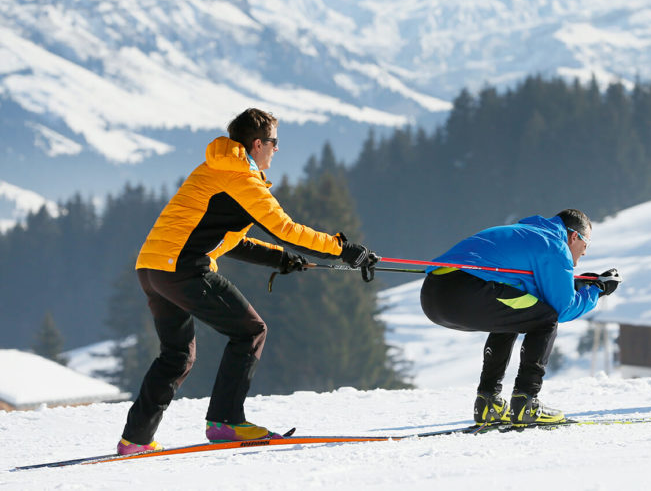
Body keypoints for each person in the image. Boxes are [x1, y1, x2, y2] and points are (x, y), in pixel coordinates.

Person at [117, 108, 376, 455]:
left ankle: (135, 440)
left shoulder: (217, 168)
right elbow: (286, 229)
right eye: (274, 142)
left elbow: (228, 237)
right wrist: (343, 249)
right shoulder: (241, 177)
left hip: (153, 268)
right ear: (257, 144)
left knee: (177, 355)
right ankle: (225, 422)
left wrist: (280, 259)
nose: (276, 149)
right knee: (250, 331)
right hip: (182, 267)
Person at [420, 209, 620, 426]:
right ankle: (526, 402)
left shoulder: (528, 233)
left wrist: (576, 286)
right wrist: (597, 291)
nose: (584, 253)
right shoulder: (555, 244)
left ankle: (489, 402)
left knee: (516, 316)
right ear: (574, 236)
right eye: (586, 244)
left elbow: (530, 292)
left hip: (434, 295)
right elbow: (563, 310)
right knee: (546, 319)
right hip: (467, 291)